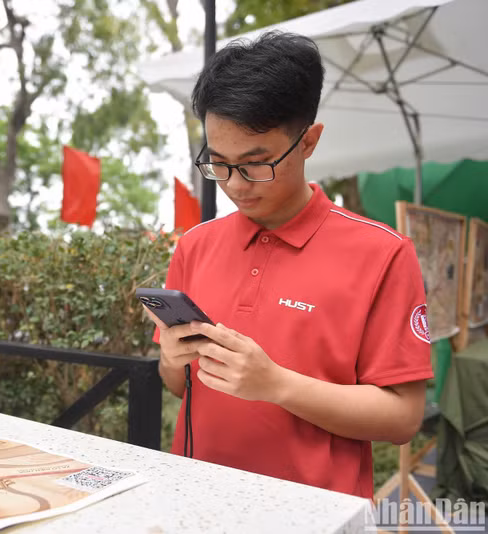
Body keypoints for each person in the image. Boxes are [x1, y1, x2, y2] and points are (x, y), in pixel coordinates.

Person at [144, 31, 433, 499]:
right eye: (219, 163)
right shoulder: (196, 245)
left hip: (316, 514)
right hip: (196, 502)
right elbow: (178, 386)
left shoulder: (382, 253)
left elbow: (402, 418)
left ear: (309, 141)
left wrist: (276, 384)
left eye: (257, 163)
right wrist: (172, 358)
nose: (236, 185)